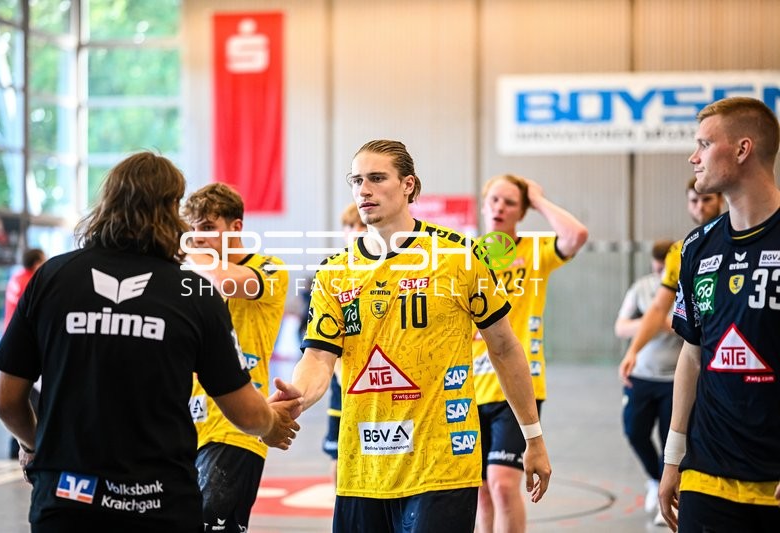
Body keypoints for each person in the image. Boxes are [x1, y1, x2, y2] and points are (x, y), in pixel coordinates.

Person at [0, 152, 300, 533]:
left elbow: (5, 400)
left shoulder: (52, 277)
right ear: (170, 213)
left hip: (66, 499)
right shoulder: (190, 291)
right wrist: (270, 423)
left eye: (206, 227)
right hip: (158, 501)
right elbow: (248, 412)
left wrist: (36, 445)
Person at [271, 139, 552, 532]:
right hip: (362, 471)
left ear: (408, 185)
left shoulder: (458, 256)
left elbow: (504, 347)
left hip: (443, 465)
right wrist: (296, 397)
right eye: (356, 180)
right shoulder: (334, 272)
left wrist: (533, 438)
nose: (363, 190)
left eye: (376, 178)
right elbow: (319, 356)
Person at [659, 96, 780, 532]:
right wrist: (672, 458)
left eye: (704, 144)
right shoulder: (696, 247)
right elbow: (692, 356)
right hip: (707, 476)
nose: (694, 158)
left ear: (743, 149)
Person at [472, 174, 587, 533]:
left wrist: (537, 199)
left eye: (510, 202)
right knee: (480, 493)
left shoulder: (533, 251)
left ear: (521, 213)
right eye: (494, 200)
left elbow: (576, 236)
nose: (500, 207)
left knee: (503, 485)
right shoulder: (467, 257)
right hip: (469, 387)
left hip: (517, 386)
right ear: (483, 205)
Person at [181, 183, 289, 532]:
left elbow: (223, 279)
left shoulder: (270, 269)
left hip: (239, 424)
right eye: (192, 229)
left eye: (207, 227)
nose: (198, 237)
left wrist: (181, 247)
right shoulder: (191, 275)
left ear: (236, 227)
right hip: (185, 424)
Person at [618, 178, 723, 521]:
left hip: (720, 374)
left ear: (720, 199)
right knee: (639, 431)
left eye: (706, 199)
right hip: (672, 371)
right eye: (694, 201)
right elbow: (657, 309)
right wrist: (634, 349)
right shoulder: (684, 249)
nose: (700, 206)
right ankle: (662, 485)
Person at [614, 239, 678, 525]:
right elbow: (621, 327)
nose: (662, 270)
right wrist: (652, 322)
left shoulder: (684, 287)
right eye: (658, 265)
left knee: (669, 440)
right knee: (634, 430)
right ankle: (655, 479)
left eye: (667, 266)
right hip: (641, 376)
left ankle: (668, 498)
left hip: (673, 378)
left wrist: (669, 323)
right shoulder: (641, 288)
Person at [319, 203, 368, 483]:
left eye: (361, 226)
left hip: (377, 382)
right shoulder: (334, 273)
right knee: (339, 459)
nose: (355, 232)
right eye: (350, 226)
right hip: (344, 384)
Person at [3, 247, 47, 459]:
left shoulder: (17, 277)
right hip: (26, 343)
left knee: (18, 396)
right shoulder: (33, 282)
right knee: (28, 398)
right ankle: (25, 445)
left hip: (10, 339)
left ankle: (17, 444)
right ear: (37, 262)